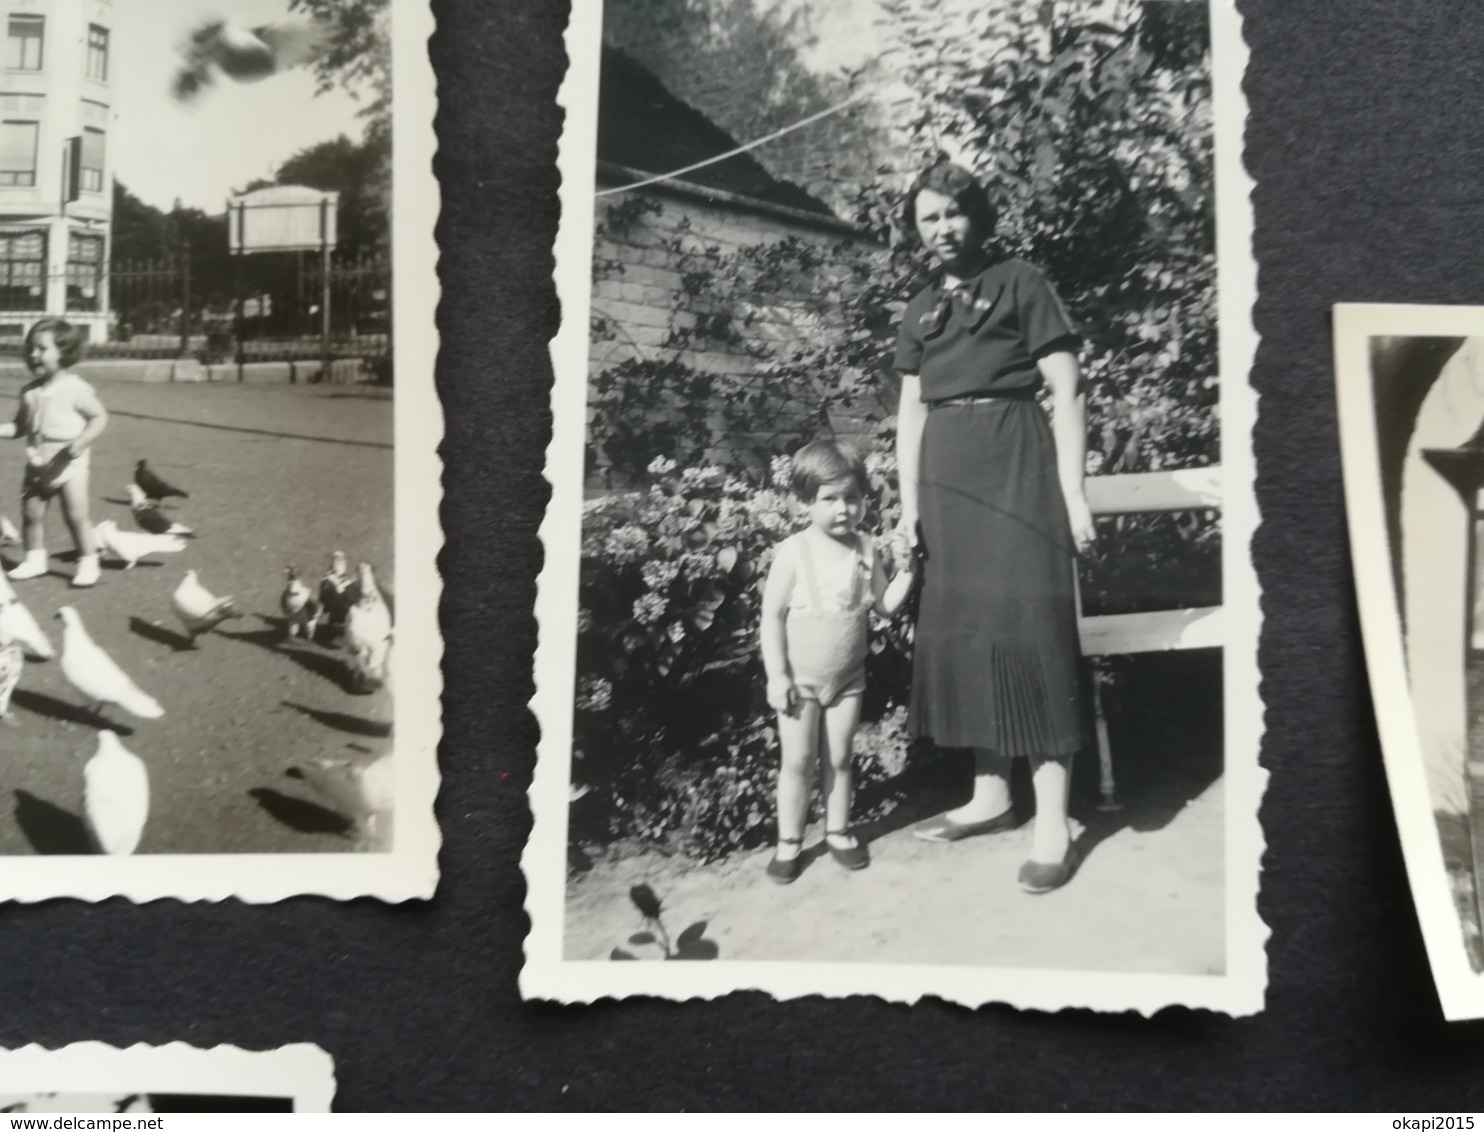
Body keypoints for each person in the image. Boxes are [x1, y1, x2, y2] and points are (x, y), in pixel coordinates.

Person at [893, 160, 1096, 894]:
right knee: (971, 628)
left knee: (1029, 633)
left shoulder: (1022, 282)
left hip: (1016, 464)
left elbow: (1067, 390)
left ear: (977, 215)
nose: (943, 229)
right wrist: (910, 503)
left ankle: (1052, 823)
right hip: (947, 478)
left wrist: (1073, 493)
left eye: (953, 213)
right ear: (915, 231)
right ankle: (990, 794)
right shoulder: (918, 307)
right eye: (928, 219)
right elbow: (910, 413)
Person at [758, 439, 917, 884]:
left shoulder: (865, 549)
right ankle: (789, 841)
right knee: (798, 760)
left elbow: (884, 606)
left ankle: (838, 831)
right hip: (800, 681)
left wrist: (907, 572)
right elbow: (770, 616)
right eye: (830, 499)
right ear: (805, 502)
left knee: (840, 757)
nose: (843, 509)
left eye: (852, 497)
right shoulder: (793, 552)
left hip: (847, 678)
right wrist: (777, 675)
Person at [0, 318, 109, 587]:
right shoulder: (29, 392)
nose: (33, 354)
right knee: (31, 515)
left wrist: (82, 441)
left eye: (41, 348)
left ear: (64, 352)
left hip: (69, 467)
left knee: (76, 517)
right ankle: (35, 560)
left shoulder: (75, 389)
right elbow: (20, 427)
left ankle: (88, 562)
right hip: (38, 466)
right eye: (30, 349)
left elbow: (99, 417)